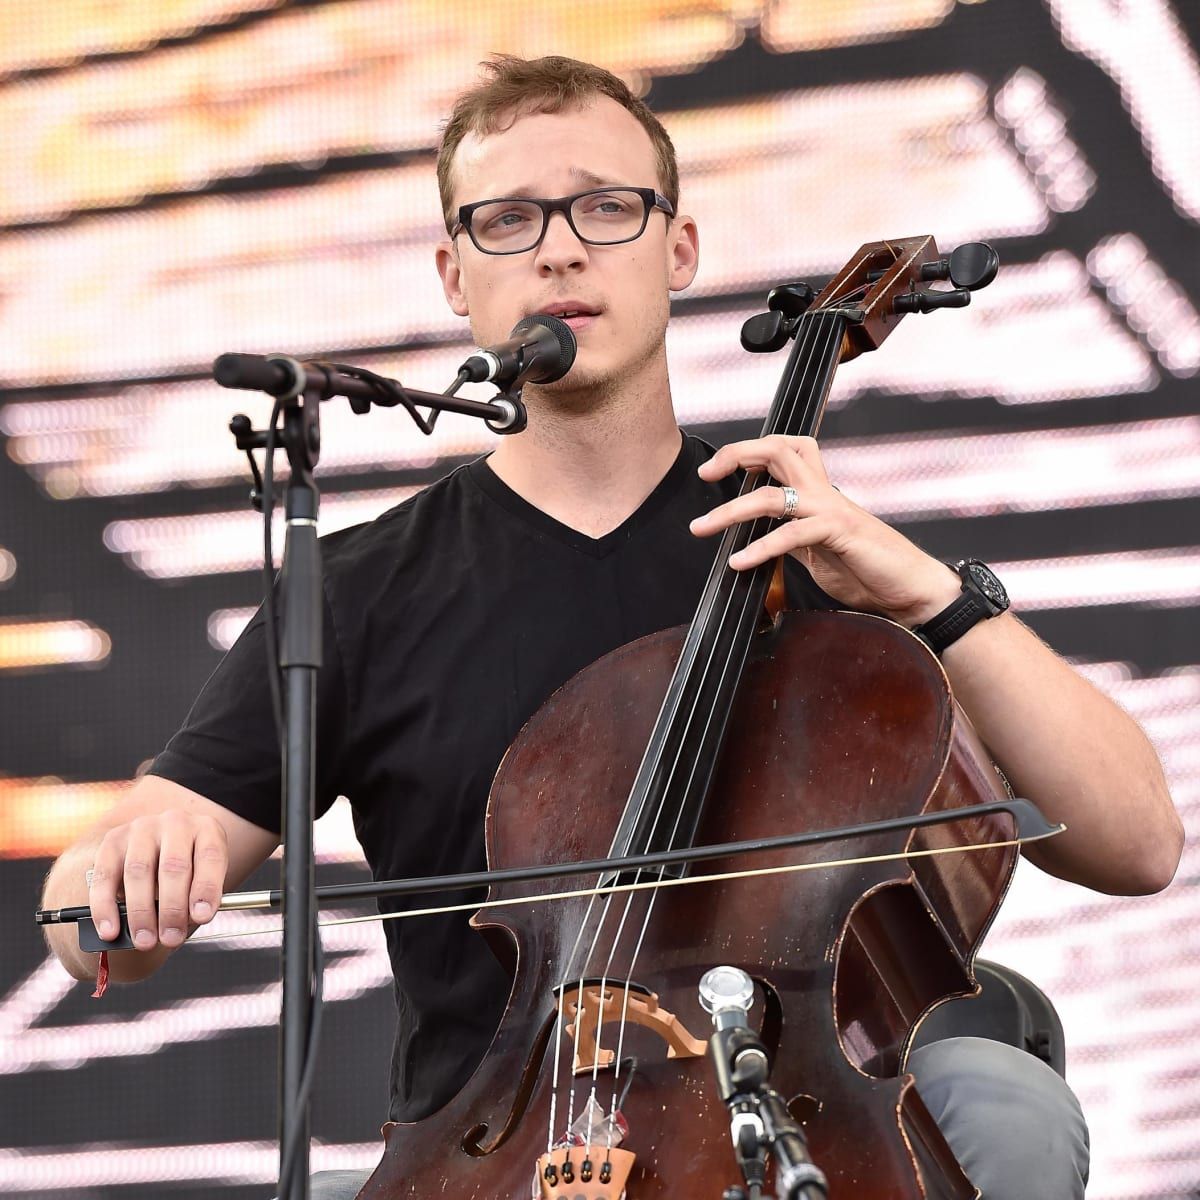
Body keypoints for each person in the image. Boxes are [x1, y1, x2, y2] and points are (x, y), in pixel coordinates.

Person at [42, 55, 1182, 1200]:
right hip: (488, 1159)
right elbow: (99, 929)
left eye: (605, 206)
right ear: (455, 275)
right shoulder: (353, 589)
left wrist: (931, 596)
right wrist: (123, 864)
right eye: (507, 220)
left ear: (677, 249)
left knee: (1005, 1106)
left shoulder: (813, 549)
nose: (559, 248)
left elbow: (1135, 847)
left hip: (785, 1140)